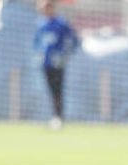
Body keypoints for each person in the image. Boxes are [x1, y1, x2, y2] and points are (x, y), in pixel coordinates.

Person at [34, 0, 80, 130]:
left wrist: (64, 55)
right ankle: (54, 116)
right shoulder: (41, 24)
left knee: (57, 90)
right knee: (50, 91)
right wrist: (39, 54)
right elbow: (37, 43)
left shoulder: (61, 24)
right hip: (46, 64)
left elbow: (73, 41)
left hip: (58, 64)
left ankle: (59, 117)